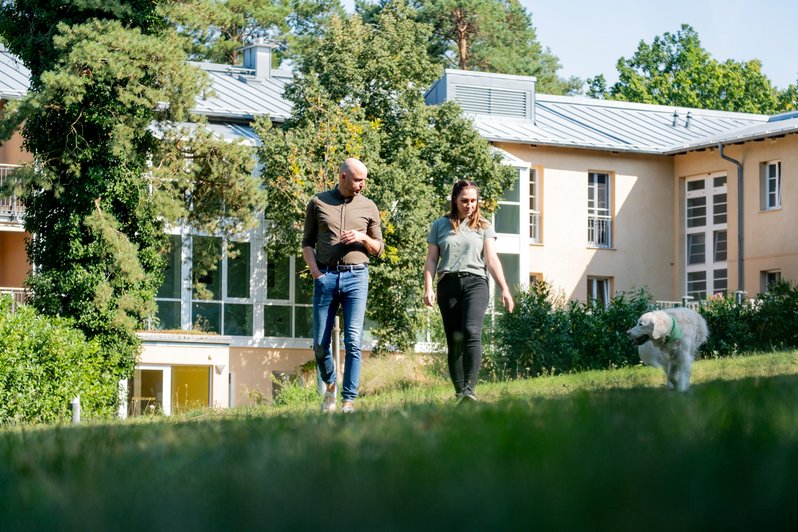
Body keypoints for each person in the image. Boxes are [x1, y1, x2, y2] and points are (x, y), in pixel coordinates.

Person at [302, 158, 384, 414]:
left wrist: (362, 237)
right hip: (326, 277)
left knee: (353, 340)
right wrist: (316, 272)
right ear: (344, 177)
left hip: (357, 277)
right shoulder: (318, 202)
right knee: (319, 343)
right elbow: (307, 243)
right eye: (358, 180)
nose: (362, 185)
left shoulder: (369, 206)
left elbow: (379, 248)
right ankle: (330, 385)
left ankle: (348, 401)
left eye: (364, 180)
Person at [424, 180, 515, 402]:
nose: (469, 205)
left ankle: (470, 391)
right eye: (465, 200)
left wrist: (505, 289)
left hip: (476, 283)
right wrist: (428, 287)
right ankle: (459, 393)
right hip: (448, 285)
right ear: (454, 200)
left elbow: (491, 259)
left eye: (473, 200)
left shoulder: (484, 225)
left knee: (472, 332)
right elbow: (432, 259)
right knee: (455, 339)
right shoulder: (439, 225)